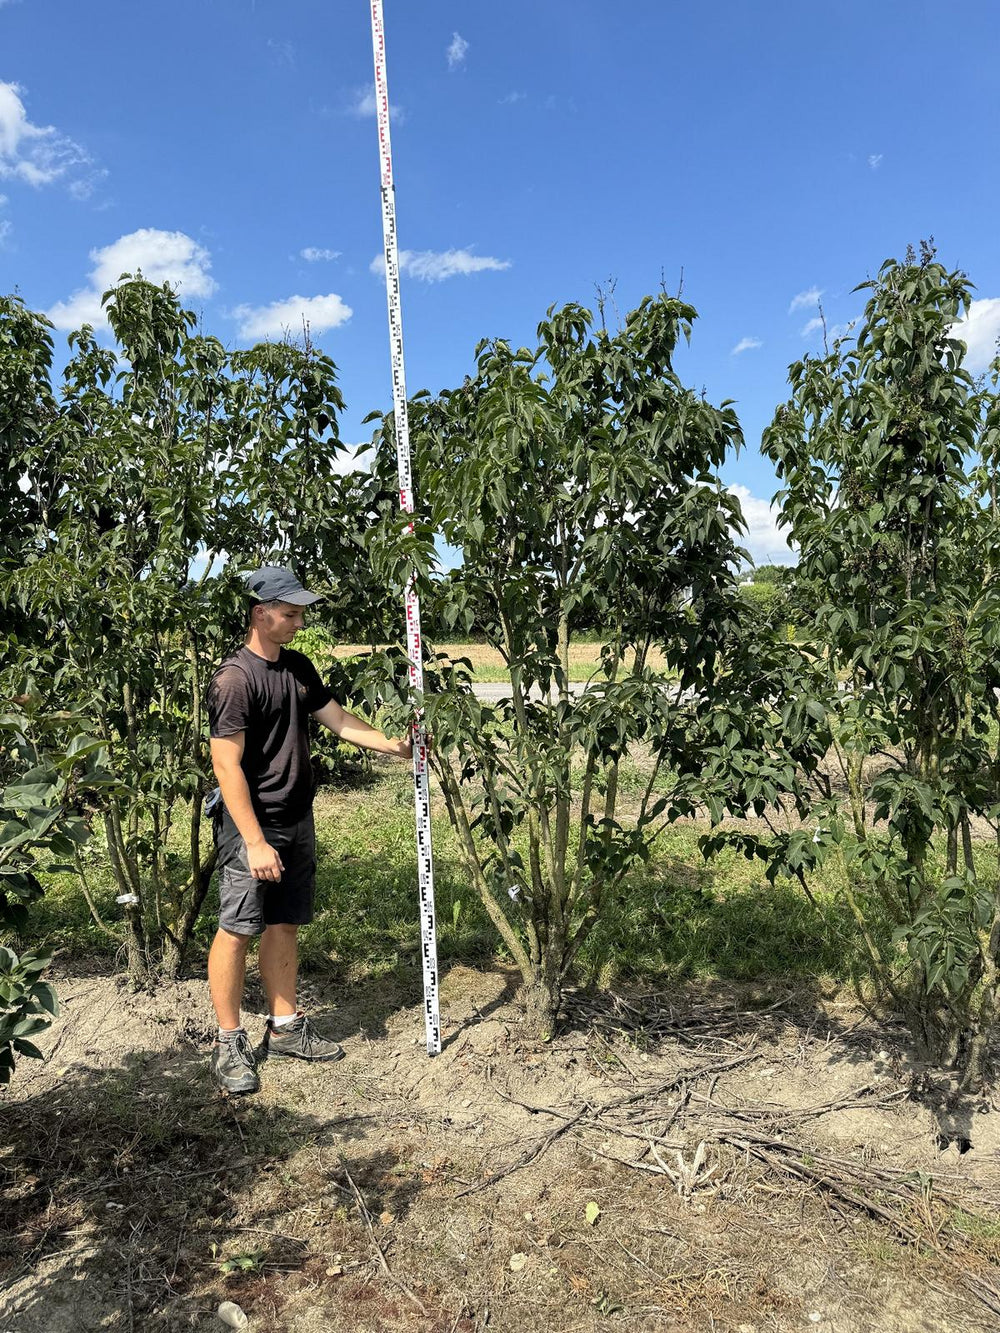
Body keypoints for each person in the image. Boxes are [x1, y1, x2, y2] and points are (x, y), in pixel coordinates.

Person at [205, 565, 412, 1095]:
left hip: (298, 820)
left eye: (301, 613)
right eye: (290, 613)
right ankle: (229, 1040)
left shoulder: (297, 667)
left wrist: (392, 745)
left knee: (284, 925)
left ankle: (285, 1026)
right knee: (237, 930)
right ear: (260, 613)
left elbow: (337, 719)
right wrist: (253, 841)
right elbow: (227, 767)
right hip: (253, 826)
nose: (299, 622)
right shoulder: (234, 679)